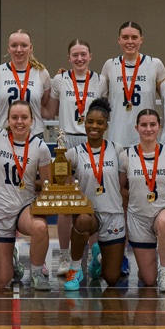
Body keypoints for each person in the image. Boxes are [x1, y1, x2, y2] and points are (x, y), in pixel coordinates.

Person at [44, 38, 102, 276]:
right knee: (65, 204)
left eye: (83, 54)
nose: (79, 58)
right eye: (75, 55)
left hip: (93, 140)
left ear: (90, 56)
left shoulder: (101, 80)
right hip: (65, 142)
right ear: (69, 58)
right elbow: (49, 110)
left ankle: (95, 255)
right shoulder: (59, 80)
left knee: (93, 201)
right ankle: (66, 256)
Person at [0, 99, 51, 291]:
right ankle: (12, 259)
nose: (19, 122)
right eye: (14, 117)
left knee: (40, 227)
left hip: (24, 206)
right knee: (1, 281)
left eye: (24, 117)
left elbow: (46, 185)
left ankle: (37, 272)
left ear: (32, 121)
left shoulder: (40, 147)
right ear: (8, 119)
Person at [62, 99, 125, 290]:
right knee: (81, 220)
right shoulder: (72, 154)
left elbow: (122, 184)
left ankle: (97, 259)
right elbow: (61, 184)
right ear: (84, 122)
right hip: (89, 213)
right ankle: (75, 268)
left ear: (107, 125)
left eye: (99, 122)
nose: (94, 126)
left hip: (113, 214)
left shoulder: (118, 150)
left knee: (112, 278)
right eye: (90, 121)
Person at [119, 107, 165, 293]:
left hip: (164, 211)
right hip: (138, 217)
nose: (148, 129)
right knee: (148, 280)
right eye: (144, 125)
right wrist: (136, 196)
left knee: (164, 222)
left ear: (159, 127)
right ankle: (154, 270)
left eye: (152, 124)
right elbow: (120, 188)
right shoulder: (126, 155)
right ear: (136, 127)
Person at [97, 21, 165, 149]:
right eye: (125, 37)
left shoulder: (155, 64)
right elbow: (96, 95)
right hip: (117, 138)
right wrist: (67, 75)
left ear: (141, 39)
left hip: (146, 139)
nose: (130, 41)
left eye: (134, 37)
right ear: (119, 40)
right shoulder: (110, 65)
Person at [0, 30, 51, 135]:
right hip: (4, 134)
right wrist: (3, 119)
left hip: (34, 135)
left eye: (24, 45)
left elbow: (44, 104)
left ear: (31, 48)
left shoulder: (41, 73)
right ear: (8, 48)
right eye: (14, 45)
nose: (19, 50)